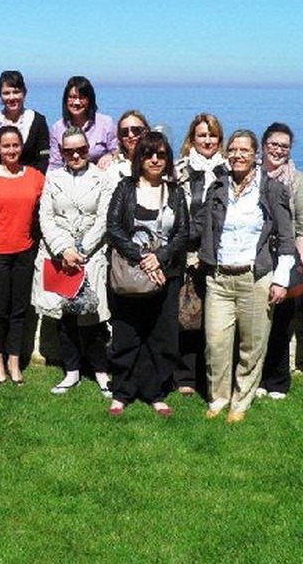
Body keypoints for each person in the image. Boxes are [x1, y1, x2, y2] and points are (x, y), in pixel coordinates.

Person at [198, 130, 294, 423]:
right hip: (219, 277)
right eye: (233, 150)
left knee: (252, 346)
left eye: (244, 150)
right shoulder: (217, 187)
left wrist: (281, 279)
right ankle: (218, 398)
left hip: (255, 277)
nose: (238, 155)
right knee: (216, 343)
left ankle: (240, 402)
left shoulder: (273, 189)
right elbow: (202, 226)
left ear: (255, 155)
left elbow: (286, 238)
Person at [106, 131, 189, 417]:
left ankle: (155, 392)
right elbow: (114, 227)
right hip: (130, 272)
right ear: (139, 158)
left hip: (166, 274)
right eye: (148, 154)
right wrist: (142, 258)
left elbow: (182, 233)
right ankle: (122, 391)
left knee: (160, 335)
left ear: (168, 159)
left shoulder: (175, 192)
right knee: (127, 333)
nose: (155, 159)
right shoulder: (126, 188)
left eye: (161, 154)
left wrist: (159, 259)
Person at [32, 127, 112, 398]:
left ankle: (100, 371)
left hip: (90, 254)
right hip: (60, 256)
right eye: (69, 151)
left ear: (88, 149)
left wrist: (82, 249)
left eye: (81, 150)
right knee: (65, 315)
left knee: (93, 317)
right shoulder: (53, 178)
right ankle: (72, 371)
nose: (76, 155)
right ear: (62, 152)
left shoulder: (102, 178)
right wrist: (63, 249)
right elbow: (45, 217)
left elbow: (104, 218)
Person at [0, 125, 46, 385]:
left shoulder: (35, 176)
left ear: (21, 147)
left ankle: (14, 361)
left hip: (24, 252)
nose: (11, 150)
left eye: (15, 145)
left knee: (19, 310)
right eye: (6, 146)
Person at [257, 123, 303, 399]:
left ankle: (277, 381)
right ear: (263, 145)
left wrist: (295, 270)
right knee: (255, 325)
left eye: (284, 146)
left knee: (281, 326)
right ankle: (255, 378)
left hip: (286, 262)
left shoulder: (299, 183)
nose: (278, 150)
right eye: (274, 144)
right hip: (256, 262)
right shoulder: (251, 176)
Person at [173, 112, 228, 397]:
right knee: (187, 317)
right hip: (187, 253)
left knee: (217, 321)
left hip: (221, 255)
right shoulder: (178, 169)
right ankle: (185, 375)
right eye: (202, 135)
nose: (207, 140)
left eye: (212, 135)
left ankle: (213, 378)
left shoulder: (229, 170)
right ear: (192, 138)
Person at [0, 70, 50, 173]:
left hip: (31, 178)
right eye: (6, 93)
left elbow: (43, 158)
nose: (11, 97)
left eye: (16, 92)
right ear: (0, 95)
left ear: (24, 93)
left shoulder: (38, 121)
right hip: (0, 179)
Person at [48, 76, 117, 170]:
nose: (76, 102)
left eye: (82, 98)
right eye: (72, 97)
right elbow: (55, 164)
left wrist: (110, 156)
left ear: (90, 100)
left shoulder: (106, 123)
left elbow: (117, 152)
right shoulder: (57, 128)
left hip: (101, 175)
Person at [105, 110, 150, 184]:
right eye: (124, 132)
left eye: (136, 130)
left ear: (146, 131)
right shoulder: (112, 167)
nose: (130, 135)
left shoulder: (158, 162)